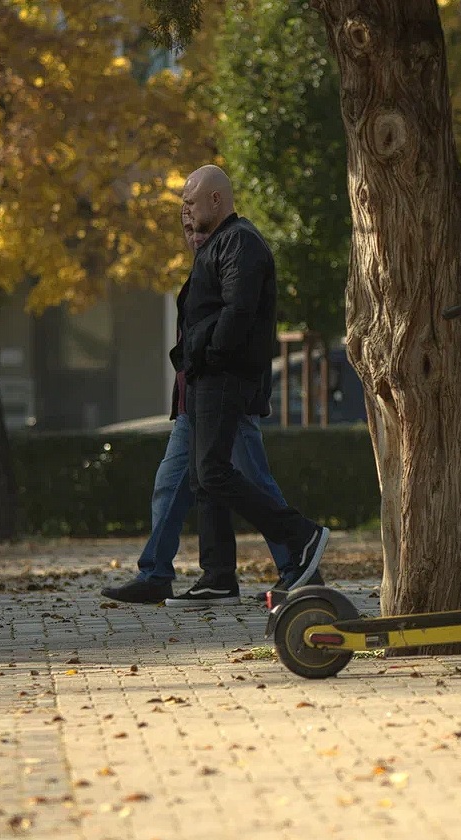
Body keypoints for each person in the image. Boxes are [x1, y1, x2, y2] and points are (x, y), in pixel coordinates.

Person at [101, 224, 322, 605]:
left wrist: (216, 363)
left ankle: (299, 566)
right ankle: (158, 572)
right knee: (172, 484)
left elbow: (236, 322)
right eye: (186, 228)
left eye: (199, 227)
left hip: (224, 399)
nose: (193, 234)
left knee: (248, 480)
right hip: (193, 404)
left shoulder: (234, 251)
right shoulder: (203, 271)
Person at [166, 163, 330, 607]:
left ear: (216, 200)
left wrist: (213, 355)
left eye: (190, 201)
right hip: (208, 374)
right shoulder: (218, 244)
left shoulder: (241, 241)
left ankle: (302, 534)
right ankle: (218, 576)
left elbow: (238, 310)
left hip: (224, 375)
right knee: (204, 477)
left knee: (215, 472)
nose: (185, 209)